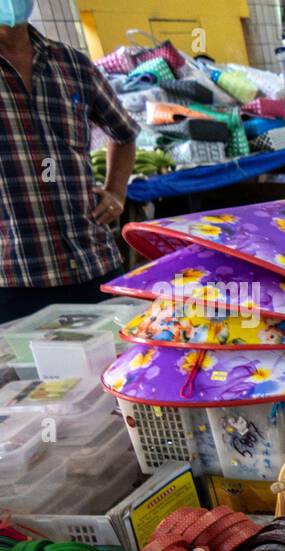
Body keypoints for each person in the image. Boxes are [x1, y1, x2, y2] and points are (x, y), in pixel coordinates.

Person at [0, 2, 138, 322]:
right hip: (14, 278)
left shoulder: (72, 65)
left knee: (121, 366)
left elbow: (124, 132)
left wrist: (116, 191)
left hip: (93, 263)